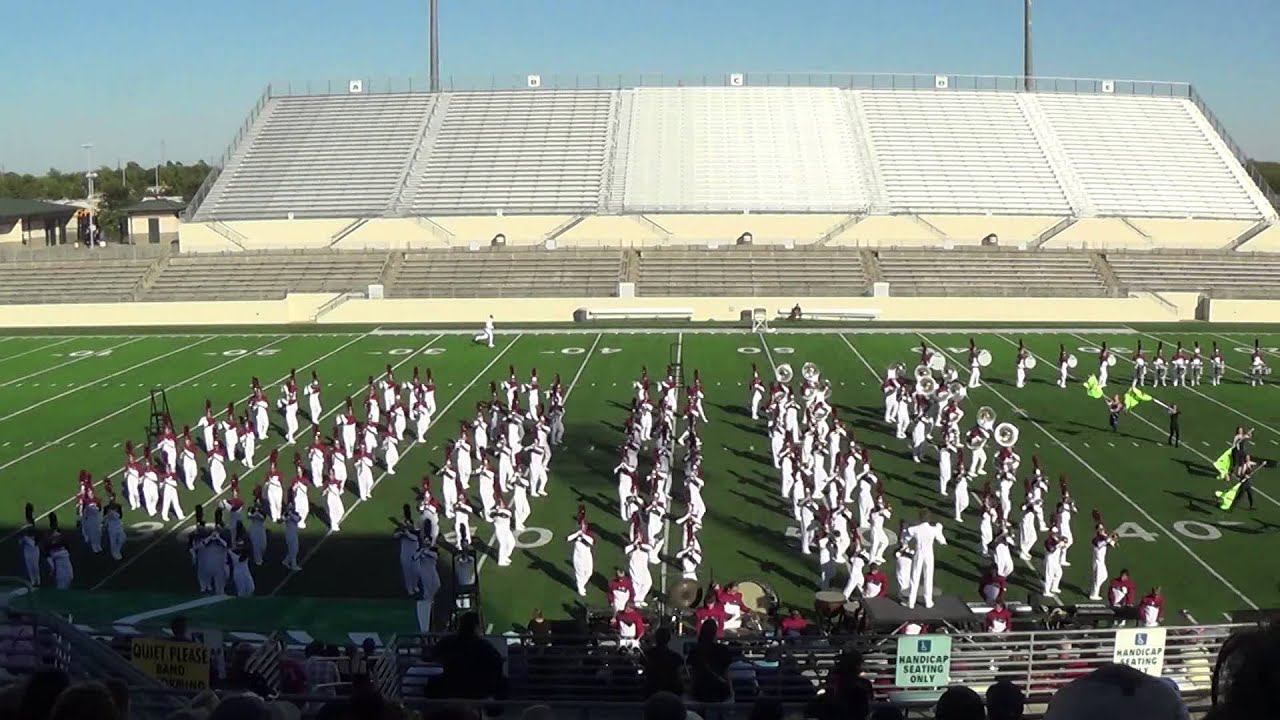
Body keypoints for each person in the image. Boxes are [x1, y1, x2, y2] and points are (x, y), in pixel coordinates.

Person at [428, 612, 504, 700]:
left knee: (432, 683)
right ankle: (493, 711)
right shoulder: (484, 645)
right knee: (503, 682)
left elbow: (431, 656)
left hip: (450, 686)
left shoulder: (448, 641)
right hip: (478, 690)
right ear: (476, 627)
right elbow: (498, 663)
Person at [687, 618, 733, 703]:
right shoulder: (723, 650)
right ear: (715, 632)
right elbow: (726, 672)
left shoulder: (695, 650)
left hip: (700, 689)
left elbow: (693, 673)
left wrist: (691, 689)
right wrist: (730, 690)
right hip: (719, 689)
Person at [642, 626, 685, 698]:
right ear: (668, 639)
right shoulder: (675, 657)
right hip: (671, 690)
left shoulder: (647, 655)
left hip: (652, 689)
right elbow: (678, 675)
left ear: (656, 638)